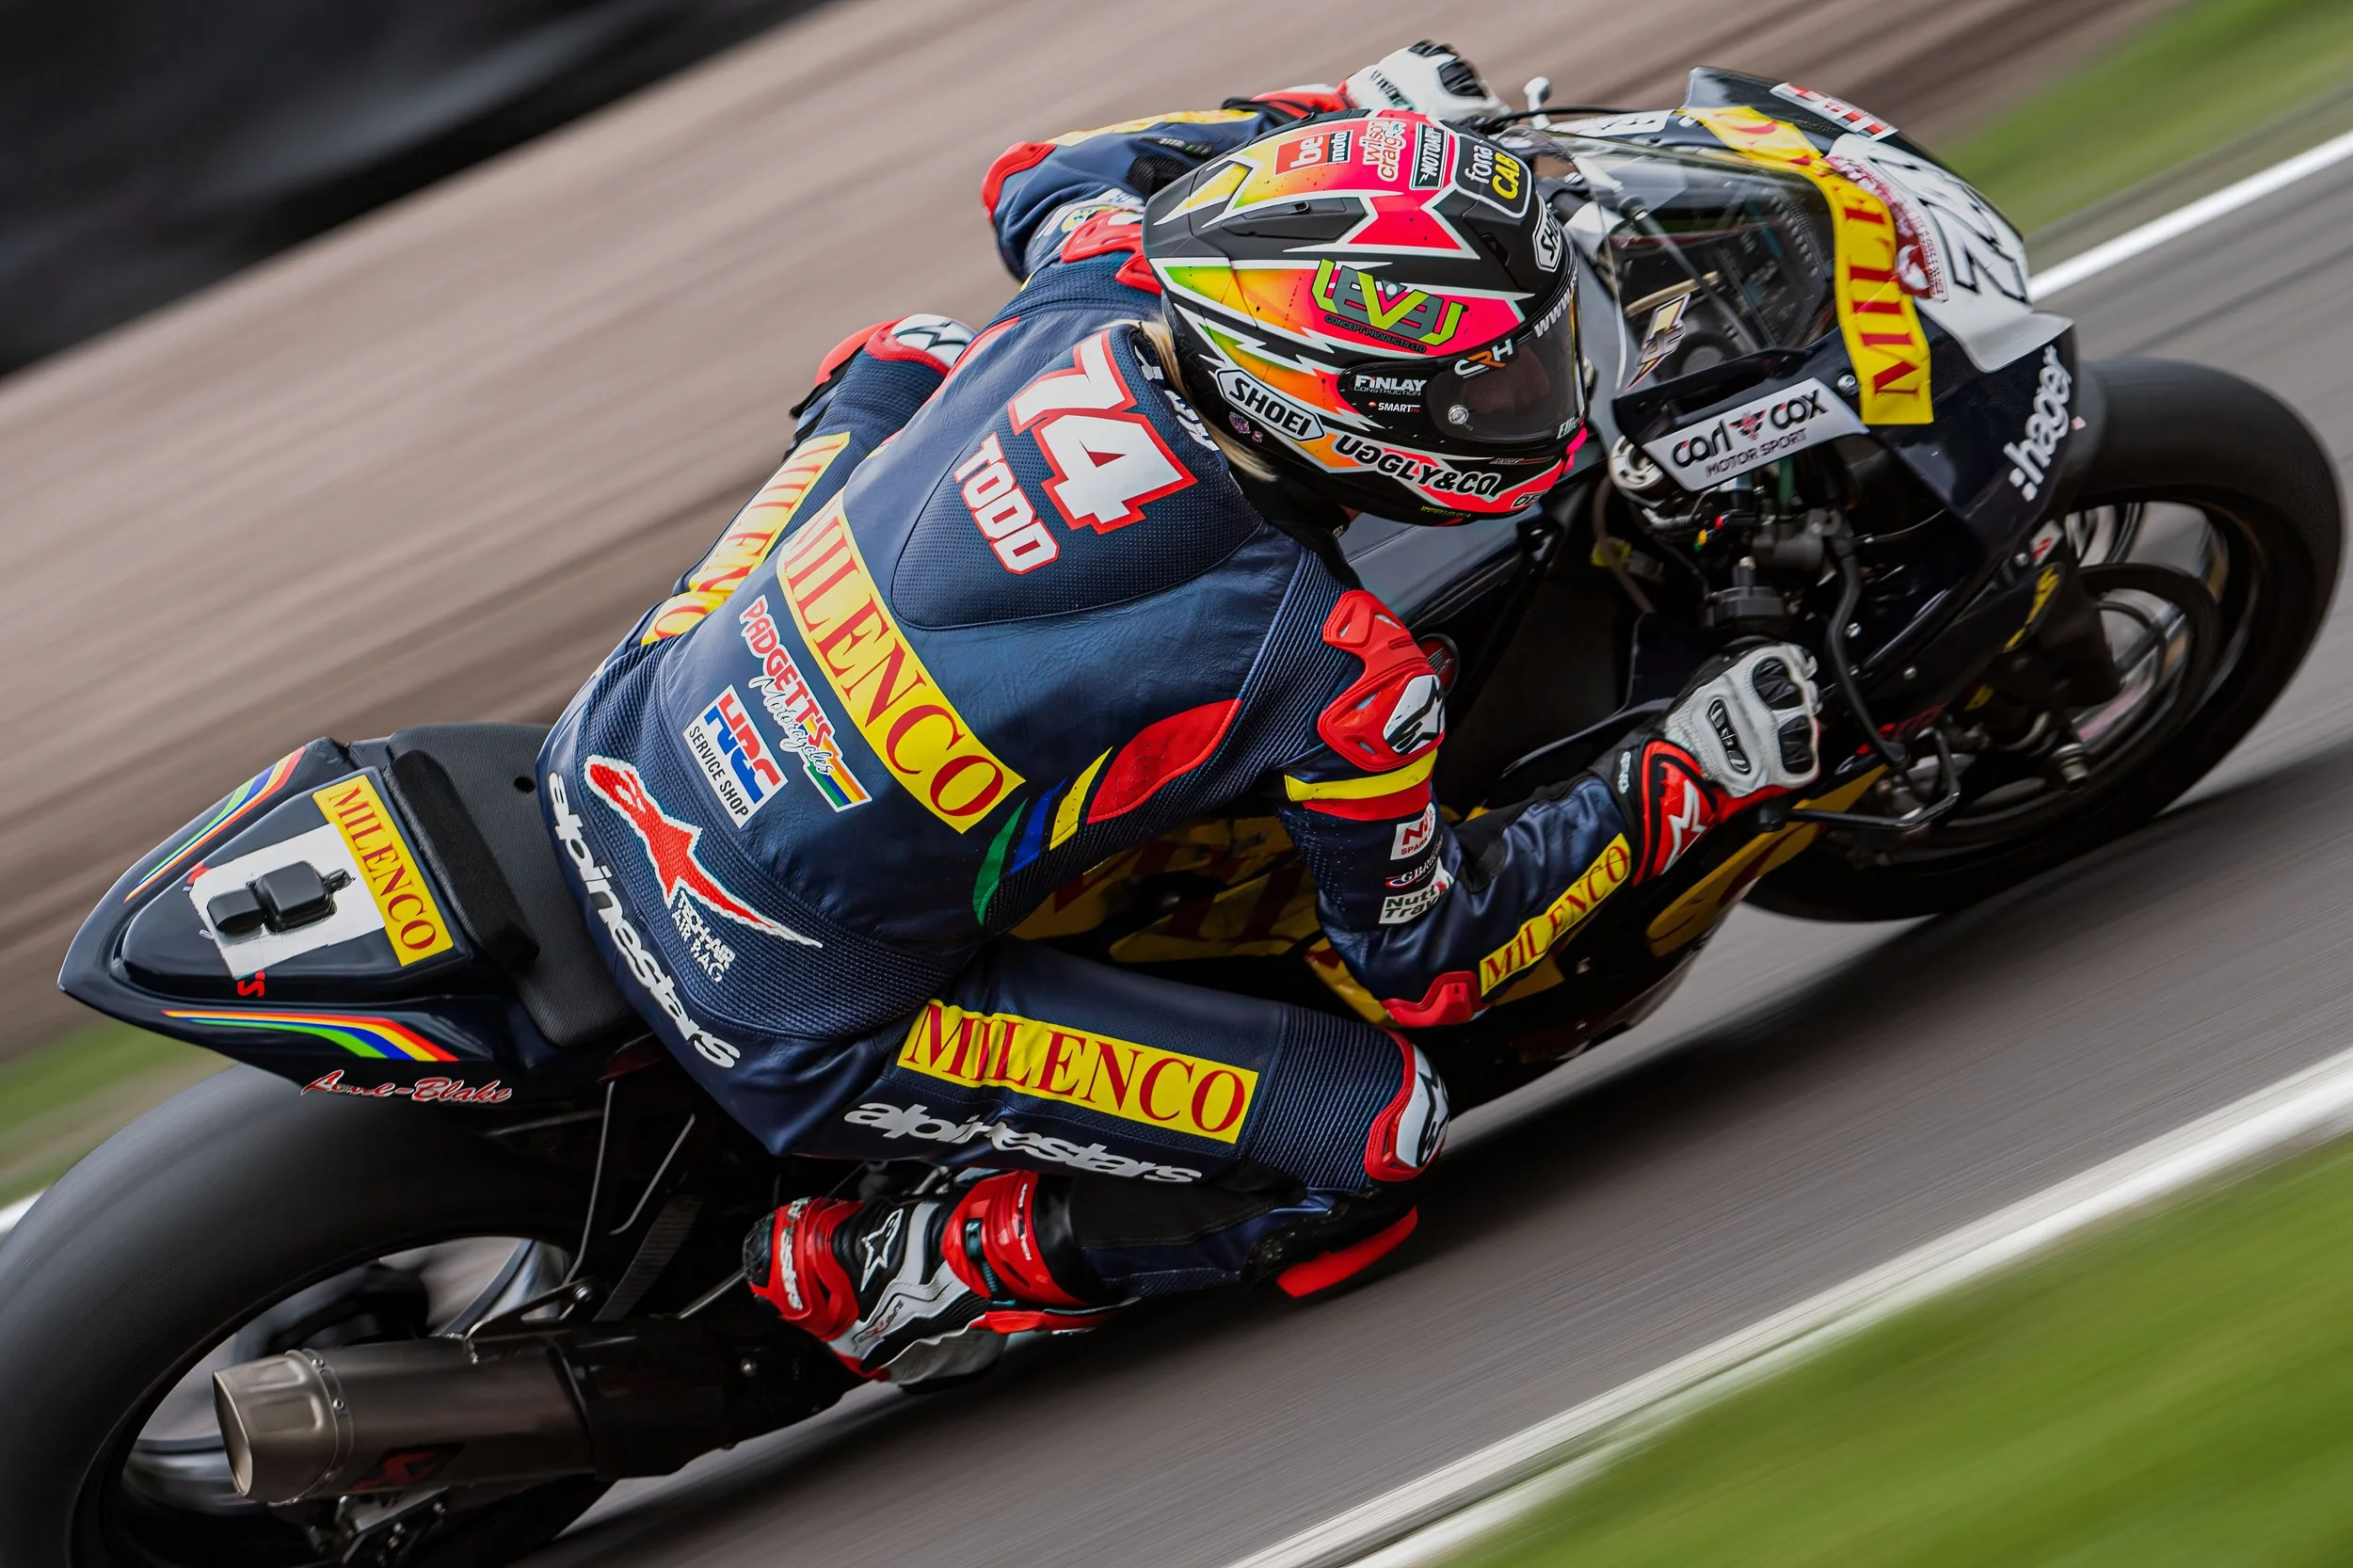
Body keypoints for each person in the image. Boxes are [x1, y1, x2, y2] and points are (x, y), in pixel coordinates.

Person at [541, 42, 1825, 1384]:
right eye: (1496, 386)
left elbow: (1035, 174)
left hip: (622, 737)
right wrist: (1684, 780)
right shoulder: (1331, 662)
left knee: (911, 355)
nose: (1537, 398)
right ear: (1346, 411)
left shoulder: (1106, 266)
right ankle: (897, 1268)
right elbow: (1431, 957)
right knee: (1373, 1129)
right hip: (783, 983)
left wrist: (1341, 125)